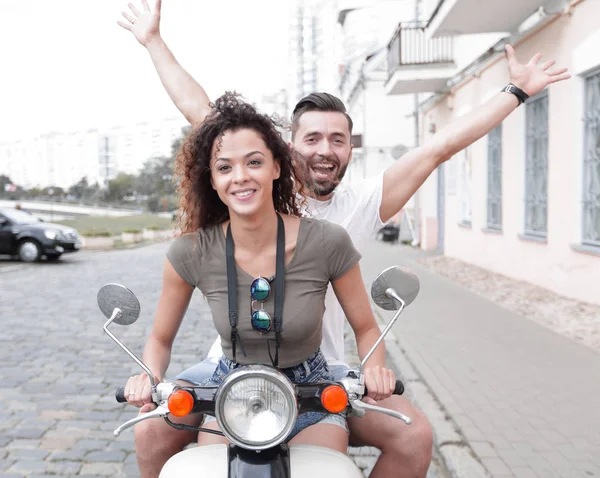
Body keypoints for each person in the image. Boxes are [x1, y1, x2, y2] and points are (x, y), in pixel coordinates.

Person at [117, 1, 570, 477]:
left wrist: (515, 91)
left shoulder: (360, 204)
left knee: (414, 435)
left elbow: (439, 147)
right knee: (153, 431)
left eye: (338, 139)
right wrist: (153, 42)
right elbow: (204, 113)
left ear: (351, 147)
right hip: (234, 369)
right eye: (312, 138)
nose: (325, 150)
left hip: (323, 370)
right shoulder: (251, 181)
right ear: (286, 150)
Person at [124, 92, 398, 475]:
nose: (240, 177)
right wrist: (149, 376)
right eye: (225, 167)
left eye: (253, 162)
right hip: (229, 387)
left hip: (310, 391)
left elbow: (366, 327)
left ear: (276, 167)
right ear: (213, 179)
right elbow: (160, 338)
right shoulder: (192, 251)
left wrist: (375, 370)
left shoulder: (327, 240)